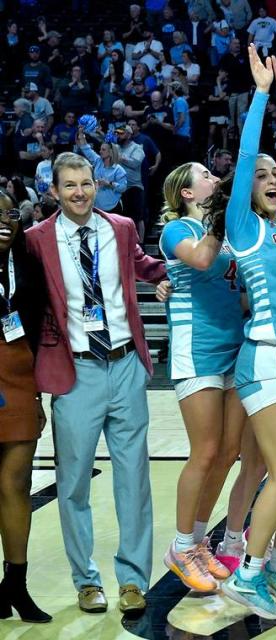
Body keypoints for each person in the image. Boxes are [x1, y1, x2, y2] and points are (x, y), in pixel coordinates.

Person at [26, 151, 167, 614]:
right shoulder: (36, 241)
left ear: (96, 183)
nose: (80, 192)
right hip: (76, 371)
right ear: (54, 191)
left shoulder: (121, 228)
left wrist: (170, 276)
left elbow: (146, 266)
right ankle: (86, 581)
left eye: (86, 183)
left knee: (134, 481)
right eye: (70, 185)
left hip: (126, 365)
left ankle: (131, 580)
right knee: (72, 485)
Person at [210, 46, 276, 620]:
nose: (274, 178)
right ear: (245, 186)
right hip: (268, 357)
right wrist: (258, 96)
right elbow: (250, 151)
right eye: (263, 174)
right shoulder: (244, 227)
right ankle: (247, 573)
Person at [157, 162, 246, 593]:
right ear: (187, 193)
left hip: (234, 345)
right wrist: (221, 218)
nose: (215, 179)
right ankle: (179, 545)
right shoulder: (178, 231)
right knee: (205, 450)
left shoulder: (223, 231)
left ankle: (197, 540)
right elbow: (203, 258)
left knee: (228, 451)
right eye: (206, 176)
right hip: (198, 349)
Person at [0, 193, 51, 624]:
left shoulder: (27, 266)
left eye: (10, 213)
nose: (4, 222)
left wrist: (36, 394)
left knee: (16, 484)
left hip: (18, 378)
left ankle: (15, 583)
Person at [76, 130, 128, 214]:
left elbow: (123, 188)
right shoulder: (97, 161)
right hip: (97, 206)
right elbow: (86, 148)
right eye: (100, 149)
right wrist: (81, 133)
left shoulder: (118, 169)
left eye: (103, 150)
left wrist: (109, 184)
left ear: (110, 152)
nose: (100, 151)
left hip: (113, 207)